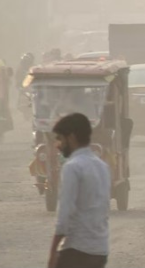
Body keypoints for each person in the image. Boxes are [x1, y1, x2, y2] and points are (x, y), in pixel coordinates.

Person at [47, 113, 110, 268]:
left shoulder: (72, 167)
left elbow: (65, 216)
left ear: (72, 137)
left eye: (60, 139)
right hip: (100, 250)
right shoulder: (102, 166)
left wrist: (53, 251)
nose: (58, 145)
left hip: (77, 251)